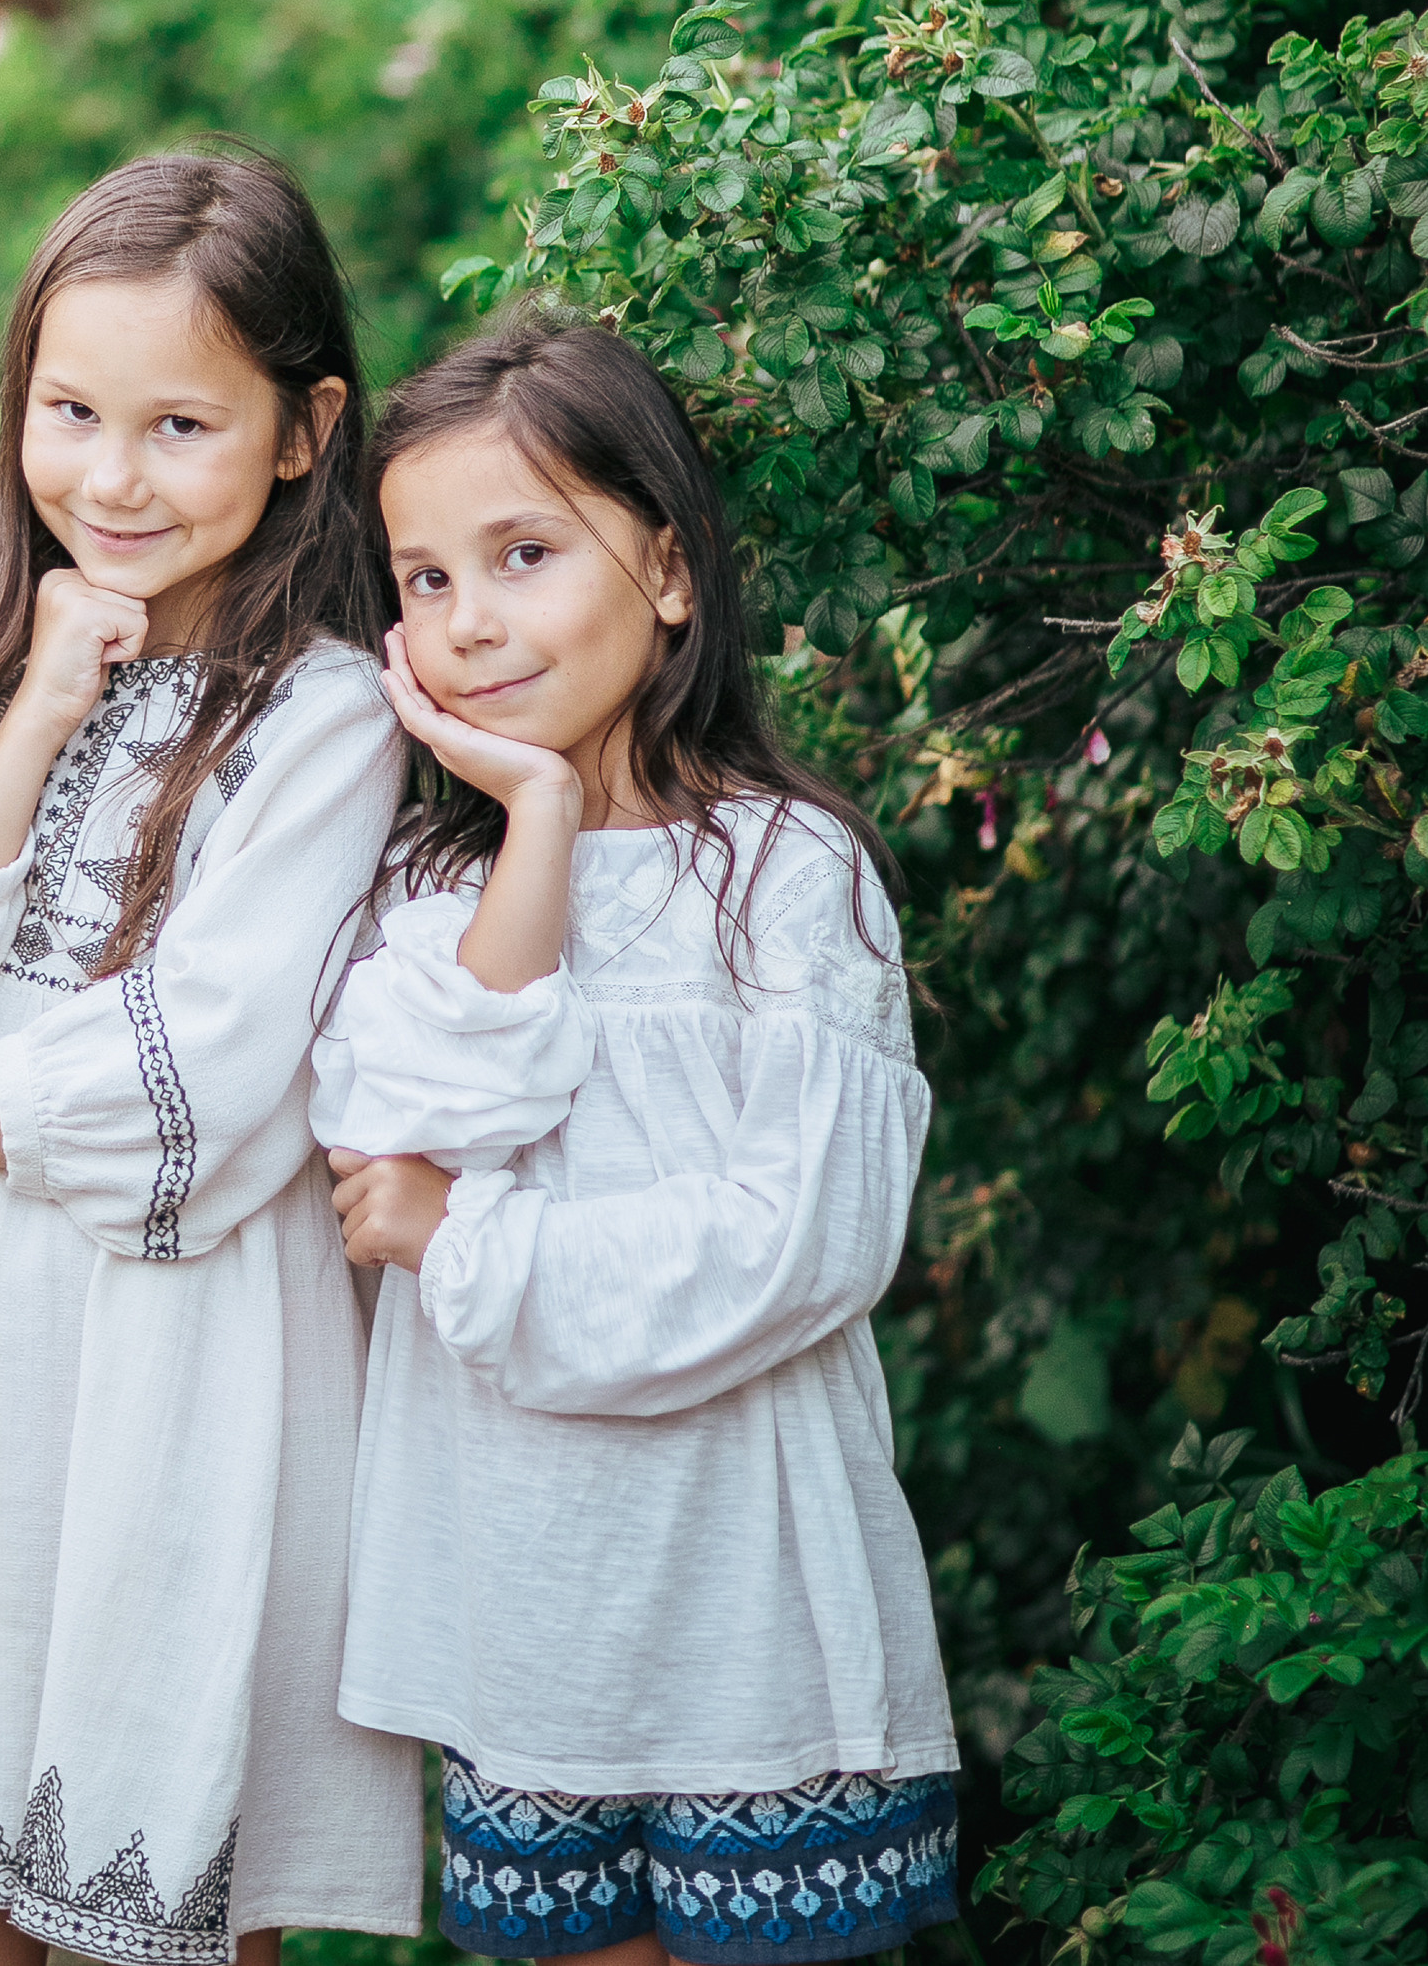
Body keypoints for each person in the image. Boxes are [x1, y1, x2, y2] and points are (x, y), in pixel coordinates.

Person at [0, 151, 421, 1966]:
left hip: (192, 1377)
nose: (109, 478)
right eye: (70, 411)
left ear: (302, 430)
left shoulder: (327, 719)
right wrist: (42, 710)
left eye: (179, 423)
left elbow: (203, 1092)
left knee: (155, 1879)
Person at [312, 314, 957, 1966]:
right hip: (515, 1615)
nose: (467, 622)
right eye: (426, 579)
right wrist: (528, 818)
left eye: (522, 554)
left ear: (668, 570)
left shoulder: (790, 878)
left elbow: (804, 1239)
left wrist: (472, 1243)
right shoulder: (420, 895)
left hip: (746, 1614)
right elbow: (389, 1130)